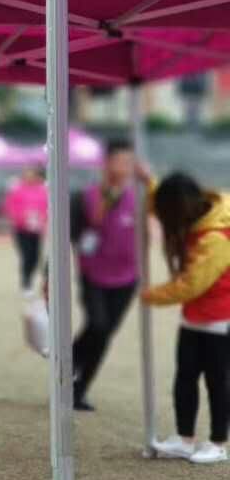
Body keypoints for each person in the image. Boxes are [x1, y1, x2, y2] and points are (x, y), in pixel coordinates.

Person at [143, 173, 230, 465]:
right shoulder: (194, 216)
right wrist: (148, 182)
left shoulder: (216, 236)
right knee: (185, 377)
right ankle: (185, 439)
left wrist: (151, 295)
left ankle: (218, 443)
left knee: (217, 382)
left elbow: (193, 284)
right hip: (194, 316)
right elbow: (159, 204)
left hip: (220, 318)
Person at [71, 139, 150, 412]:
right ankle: (68, 361)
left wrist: (149, 181)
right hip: (93, 274)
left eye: (130, 162)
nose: (127, 167)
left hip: (127, 278)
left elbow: (169, 207)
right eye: (121, 161)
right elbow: (79, 231)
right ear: (106, 163)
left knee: (104, 334)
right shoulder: (86, 196)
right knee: (98, 325)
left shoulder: (139, 197)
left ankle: (79, 389)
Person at [3, 166, 48, 294]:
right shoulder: (17, 189)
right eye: (27, 175)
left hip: (36, 229)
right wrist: (20, 217)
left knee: (35, 256)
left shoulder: (42, 190)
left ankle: (29, 278)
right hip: (21, 229)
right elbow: (9, 206)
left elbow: (46, 206)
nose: (30, 177)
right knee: (26, 254)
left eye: (32, 175)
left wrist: (42, 217)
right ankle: (26, 282)